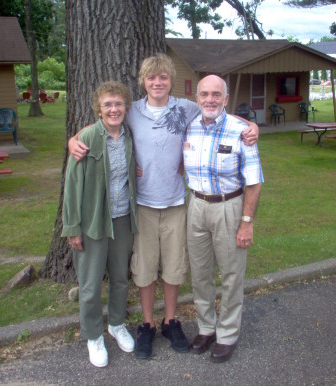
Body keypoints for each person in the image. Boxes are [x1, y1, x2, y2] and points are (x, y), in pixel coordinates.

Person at [68, 54, 259, 360]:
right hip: (141, 206)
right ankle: (147, 324)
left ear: (171, 80)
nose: (157, 83)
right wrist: (72, 140)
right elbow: (103, 124)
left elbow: (219, 112)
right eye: (151, 78)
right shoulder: (131, 112)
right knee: (144, 270)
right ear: (143, 82)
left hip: (177, 204)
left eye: (163, 78)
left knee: (173, 268)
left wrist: (251, 124)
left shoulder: (187, 109)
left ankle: (170, 321)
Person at [183, 75, 263, 363]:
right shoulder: (189, 127)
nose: (210, 99)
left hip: (229, 207)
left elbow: (254, 181)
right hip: (196, 206)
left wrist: (246, 221)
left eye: (216, 94)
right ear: (197, 98)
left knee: (231, 274)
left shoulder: (242, 131)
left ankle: (227, 332)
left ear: (226, 99)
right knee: (200, 273)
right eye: (204, 94)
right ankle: (206, 327)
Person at [62, 81, 138, 368]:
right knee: (91, 285)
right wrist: (72, 228)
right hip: (93, 223)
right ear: (99, 108)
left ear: (125, 107)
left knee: (120, 278)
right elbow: (72, 185)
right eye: (108, 104)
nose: (114, 109)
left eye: (118, 103)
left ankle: (116, 324)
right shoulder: (88, 139)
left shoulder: (129, 136)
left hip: (122, 220)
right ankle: (93, 335)